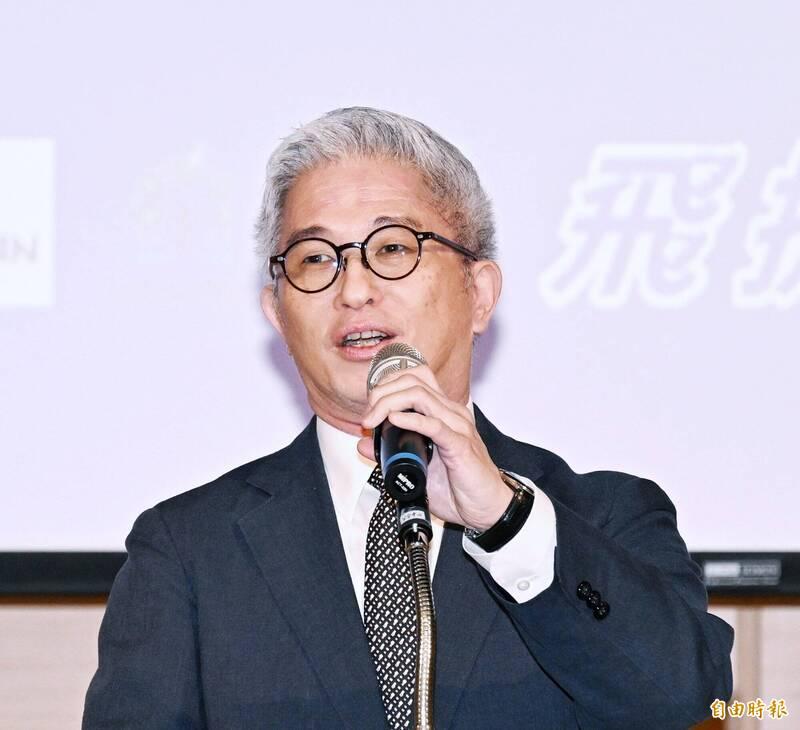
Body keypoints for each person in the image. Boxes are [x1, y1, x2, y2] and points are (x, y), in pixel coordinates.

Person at [83, 107, 733, 729]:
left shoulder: (605, 517)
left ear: (479, 294)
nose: (353, 289)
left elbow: (681, 699)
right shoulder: (188, 551)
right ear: (277, 312)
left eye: (393, 248)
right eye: (316, 258)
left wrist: (503, 519)